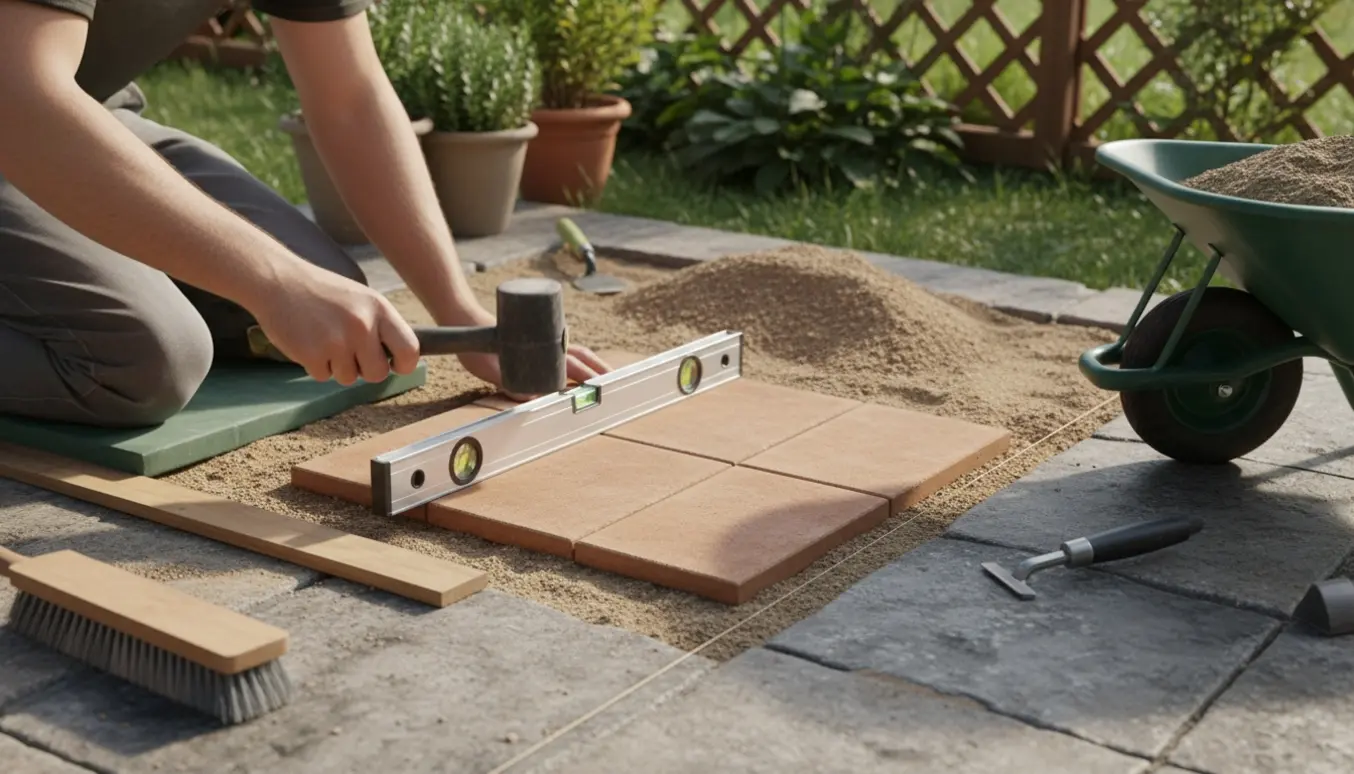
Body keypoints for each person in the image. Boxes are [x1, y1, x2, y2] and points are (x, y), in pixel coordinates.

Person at [0, 0, 610, 428]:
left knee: (331, 305)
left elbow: (349, 98)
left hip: (85, 111)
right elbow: (20, 97)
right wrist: (275, 281)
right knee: (144, 360)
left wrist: (458, 309)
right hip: (23, 107)